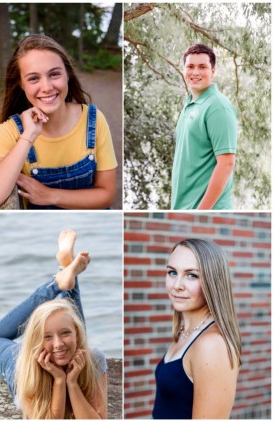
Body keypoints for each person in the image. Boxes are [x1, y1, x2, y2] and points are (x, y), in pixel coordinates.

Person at [0, 34, 117, 210]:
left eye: (54, 74)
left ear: (68, 75)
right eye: (34, 78)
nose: (47, 87)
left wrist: (50, 196)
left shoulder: (94, 121)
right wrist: (28, 136)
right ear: (21, 84)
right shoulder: (11, 132)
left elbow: (107, 194)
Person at [0, 230, 107, 419]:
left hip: (65, 349)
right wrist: (59, 380)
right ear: (36, 341)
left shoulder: (94, 358)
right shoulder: (24, 368)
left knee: (64, 320)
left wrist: (72, 383)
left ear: (78, 336)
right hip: (29, 362)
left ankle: (59, 279)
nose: (58, 344)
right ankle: (63, 273)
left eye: (65, 334)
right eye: (47, 336)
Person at [153, 239, 241, 418]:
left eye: (191, 275)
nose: (177, 285)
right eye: (172, 272)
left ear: (212, 282)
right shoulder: (186, 331)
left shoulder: (211, 345)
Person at [171, 44, 237, 210]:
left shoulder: (217, 106)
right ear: (184, 70)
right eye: (190, 66)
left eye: (202, 67)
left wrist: (201, 212)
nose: (195, 72)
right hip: (184, 206)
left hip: (204, 208)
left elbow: (227, 162)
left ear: (213, 71)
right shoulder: (190, 104)